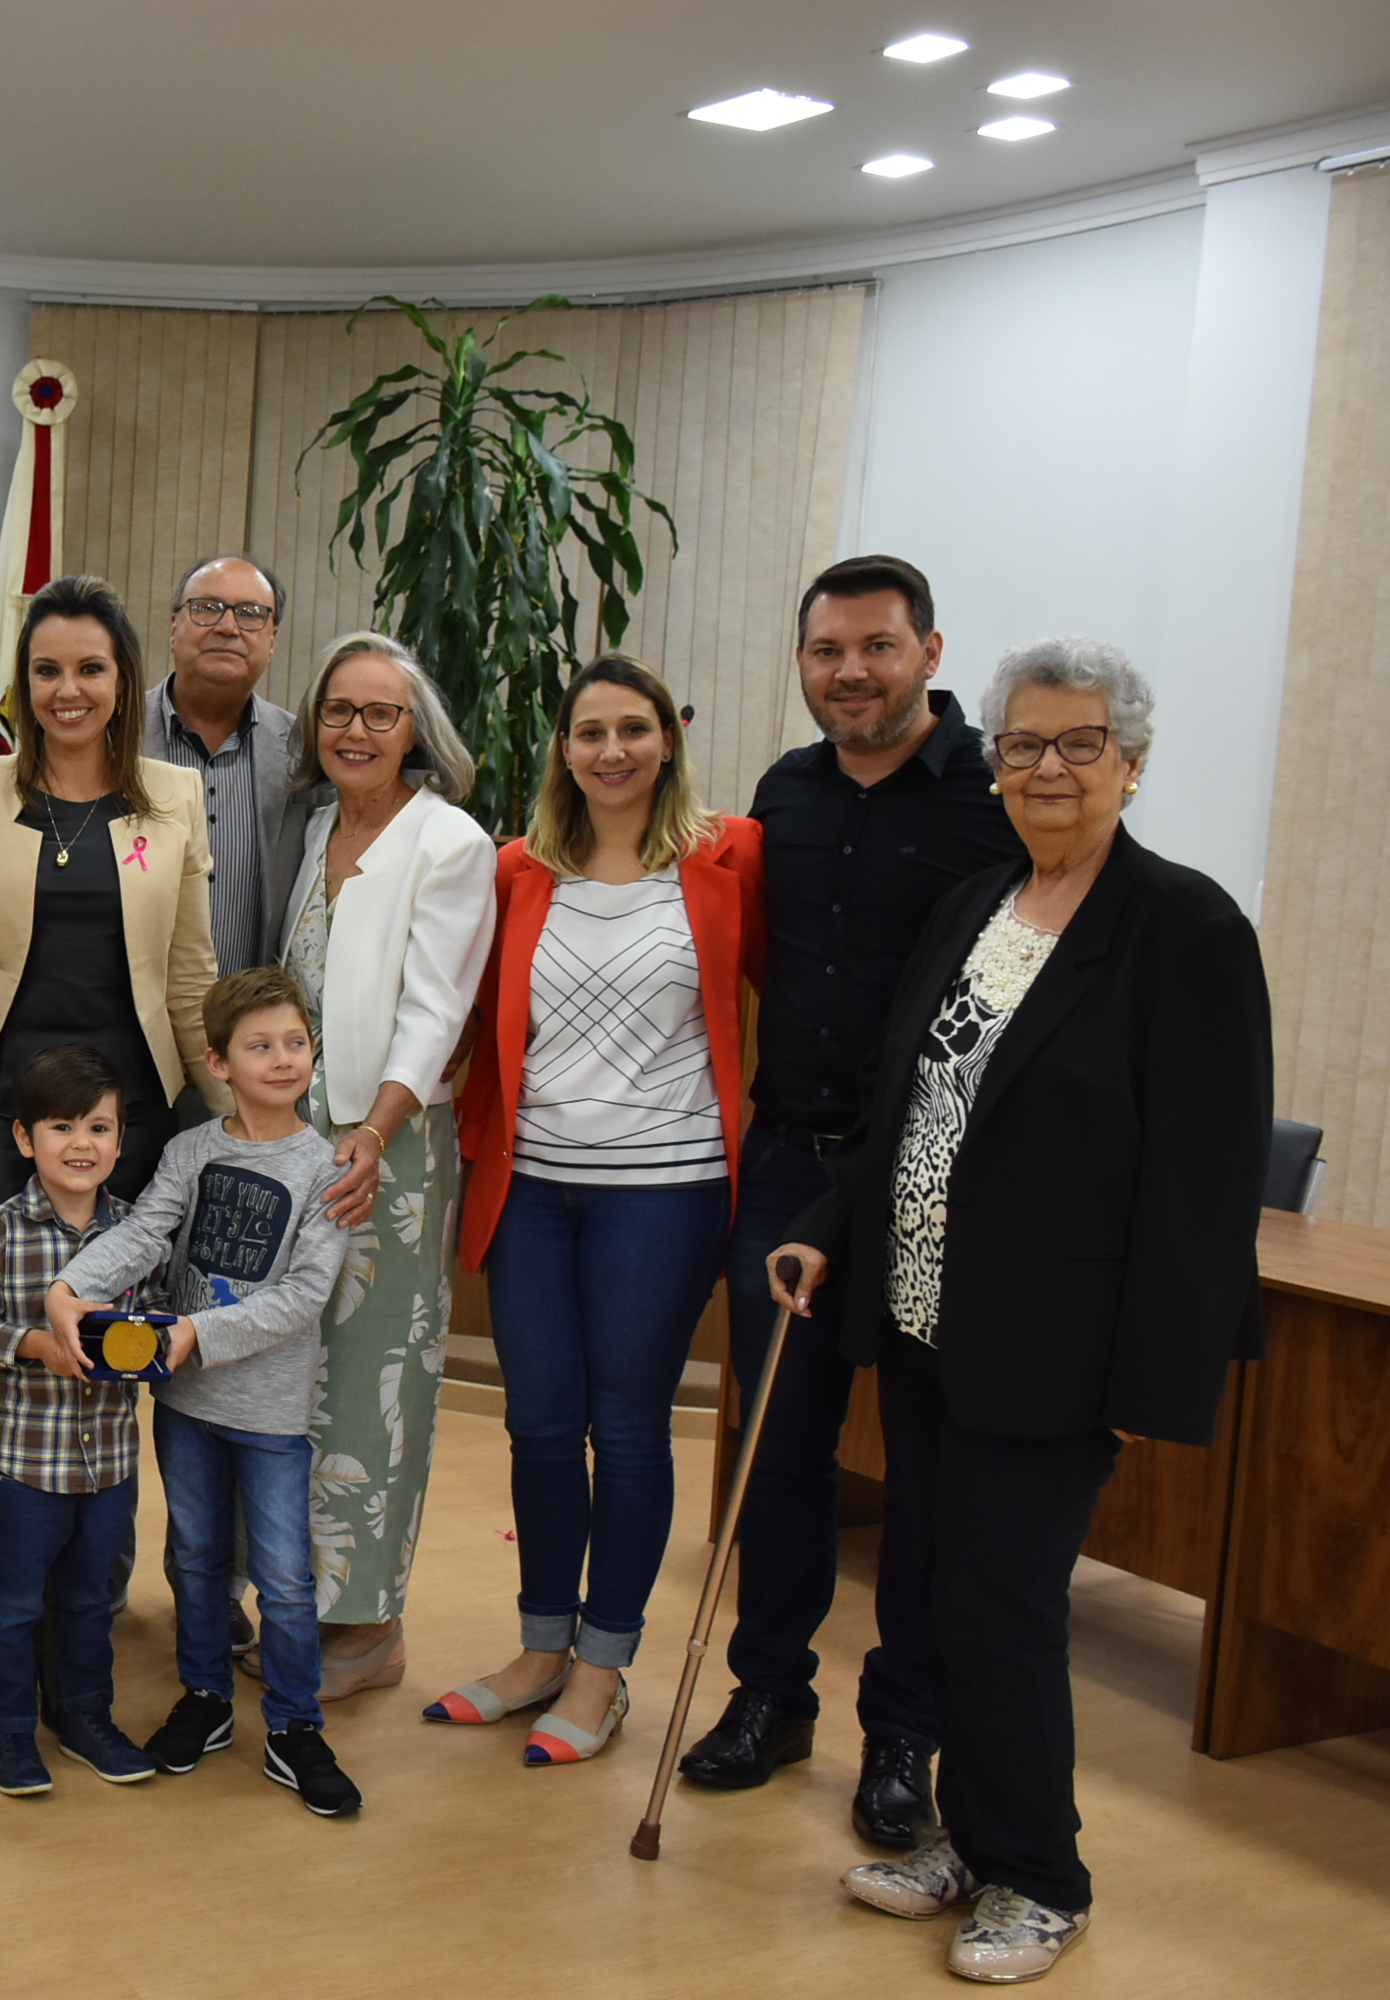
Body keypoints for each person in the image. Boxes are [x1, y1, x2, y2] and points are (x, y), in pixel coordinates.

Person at [777, 639, 1270, 1985]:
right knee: (937, 1595)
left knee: (1001, 1607)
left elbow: (1206, 1179)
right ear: (992, 761)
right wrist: (827, 1229)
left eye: (1079, 742)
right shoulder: (979, 903)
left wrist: (1157, 1380)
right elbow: (909, 1108)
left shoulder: (1185, 929)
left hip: (1057, 1348)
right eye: (1022, 743)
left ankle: (1041, 1877)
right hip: (930, 1321)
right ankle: (972, 1838)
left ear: (1131, 762)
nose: (1048, 767)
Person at [677, 556, 1024, 1842]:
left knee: (922, 1470)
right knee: (778, 1450)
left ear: (928, 649)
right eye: (826, 651)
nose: (850, 673)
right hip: (789, 1162)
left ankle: (904, 1732)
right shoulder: (786, 790)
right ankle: (770, 1694)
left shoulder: (995, 800)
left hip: (933, 1181)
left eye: (876, 647)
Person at [429, 654, 764, 1767]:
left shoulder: (729, 858)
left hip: (664, 1189)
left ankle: (603, 1667)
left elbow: (779, 1001)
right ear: (562, 750)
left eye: (632, 729)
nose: (611, 750)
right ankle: (539, 1649)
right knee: (537, 1423)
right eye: (589, 732)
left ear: (668, 739)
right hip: (531, 1184)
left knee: (624, 1428)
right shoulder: (516, 869)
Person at [0, 573, 226, 1729]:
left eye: (89, 668)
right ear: (24, 679)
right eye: (47, 668)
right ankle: (4, 1625)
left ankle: (75, 1619)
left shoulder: (173, 798)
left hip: (134, 1123)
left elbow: (191, 974)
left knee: (112, 1363)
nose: (67, 689)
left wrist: (236, 1126)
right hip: (5, 1119)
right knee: (12, 1370)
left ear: (123, 679)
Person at [48, 966, 361, 1816]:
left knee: (285, 1578)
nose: (283, 1059)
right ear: (219, 1063)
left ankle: (295, 1725)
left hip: (272, 1414)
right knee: (193, 1559)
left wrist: (194, 1334)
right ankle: (207, 1698)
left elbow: (304, 1296)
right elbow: (146, 1233)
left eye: (295, 1043)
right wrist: (71, 1288)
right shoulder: (191, 1151)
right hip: (186, 1407)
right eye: (261, 1046)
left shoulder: (325, 1167)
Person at [271, 633, 493, 1702]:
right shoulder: (316, 824)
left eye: (380, 713)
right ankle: (291, 1600)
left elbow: (438, 1008)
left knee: (373, 1380)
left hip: (388, 1147)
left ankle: (368, 1625)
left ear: (417, 732)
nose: (355, 730)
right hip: (292, 1140)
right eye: (337, 710)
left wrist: (372, 1127)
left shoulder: (447, 840)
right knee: (292, 1375)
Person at [0, 1043, 160, 1799]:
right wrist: (35, 1344)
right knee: (12, 1605)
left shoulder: (134, 1236)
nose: (81, 1144)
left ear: (120, 1140)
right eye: (61, 1127)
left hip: (109, 1466)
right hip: (22, 1465)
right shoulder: (1, 1231)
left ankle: (86, 1719)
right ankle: (8, 1733)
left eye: (98, 1128)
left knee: (90, 1601)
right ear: (25, 1138)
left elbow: (158, 1321)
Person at [144, 555, 316, 983]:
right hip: (128, 1012)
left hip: (249, 1015)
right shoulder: (113, 736)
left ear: (272, 639)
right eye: (207, 608)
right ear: (174, 627)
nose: (227, 626)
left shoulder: (305, 755)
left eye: (251, 614)